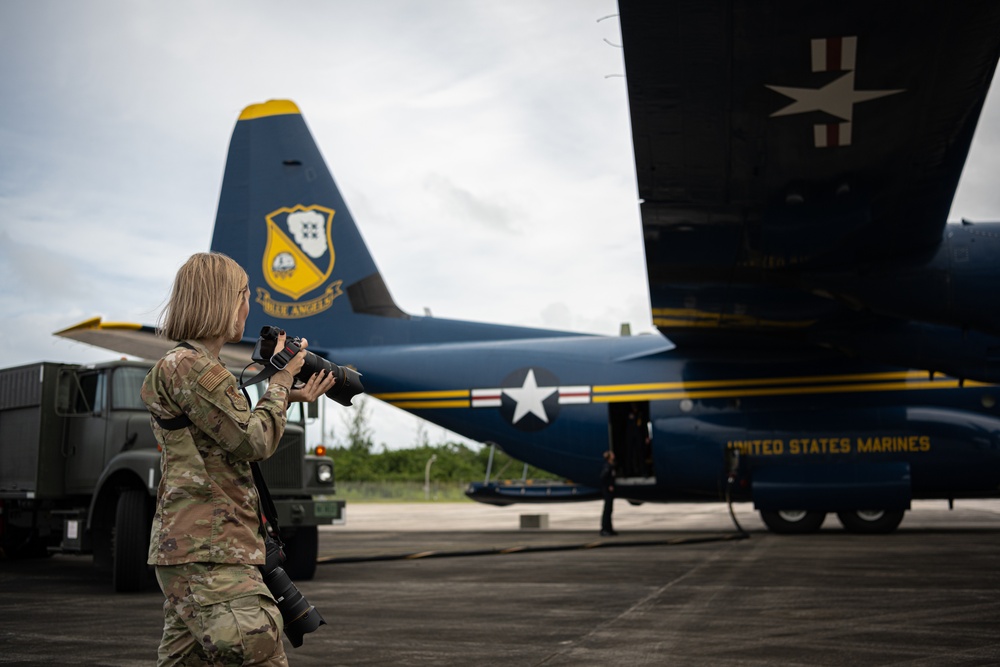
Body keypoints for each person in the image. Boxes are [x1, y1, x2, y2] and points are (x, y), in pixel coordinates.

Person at [141, 252, 336, 666]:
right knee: (259, 652)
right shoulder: (194, 368)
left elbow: (227, 432)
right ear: (223, 300)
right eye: (244, 295)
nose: (248, 307)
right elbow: (253, 441)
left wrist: (288, 396)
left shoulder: (190, 367)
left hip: (197, 550)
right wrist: (282, 380)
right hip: (213, 553)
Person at [599, 450, 618, 536]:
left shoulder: (611, 466)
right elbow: (603, 477)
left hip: (610, 491)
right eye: (612, 454)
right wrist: (608, 486)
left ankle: (609, 529)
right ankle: (604, 529)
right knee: (607, 510)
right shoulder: (607, 466)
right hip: (607, 491)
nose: (614, 455)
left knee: (610, 510)